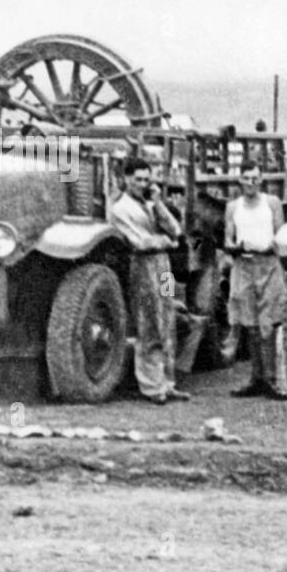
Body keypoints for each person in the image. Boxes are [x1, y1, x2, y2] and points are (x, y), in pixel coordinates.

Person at [109, 157, 192, 405]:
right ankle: (151, 386)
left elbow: (176, 229)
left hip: (163, 267)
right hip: (144, 268)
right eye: (138, 180)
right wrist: (166, 242)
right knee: (149, 324)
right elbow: (139, 242)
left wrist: (157, 203)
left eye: (146, 180)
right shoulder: (120, 209)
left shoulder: (149, 204)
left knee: (167, 318)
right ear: (126, 179)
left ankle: (168, 382)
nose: (142, 184)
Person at [225, 165, 287, 399]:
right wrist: (238, 247)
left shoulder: (272, 203)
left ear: (261, 180)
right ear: (240, 180)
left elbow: (282, 234)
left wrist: (273, 247)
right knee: (249, 324)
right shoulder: (233, 207)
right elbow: (227, 239)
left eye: (255, 178)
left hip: (268, 264)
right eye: (246, 178)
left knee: (268, 324)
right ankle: (256, 378)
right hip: (243, 265)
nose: (250, 182)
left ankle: (272, 380)